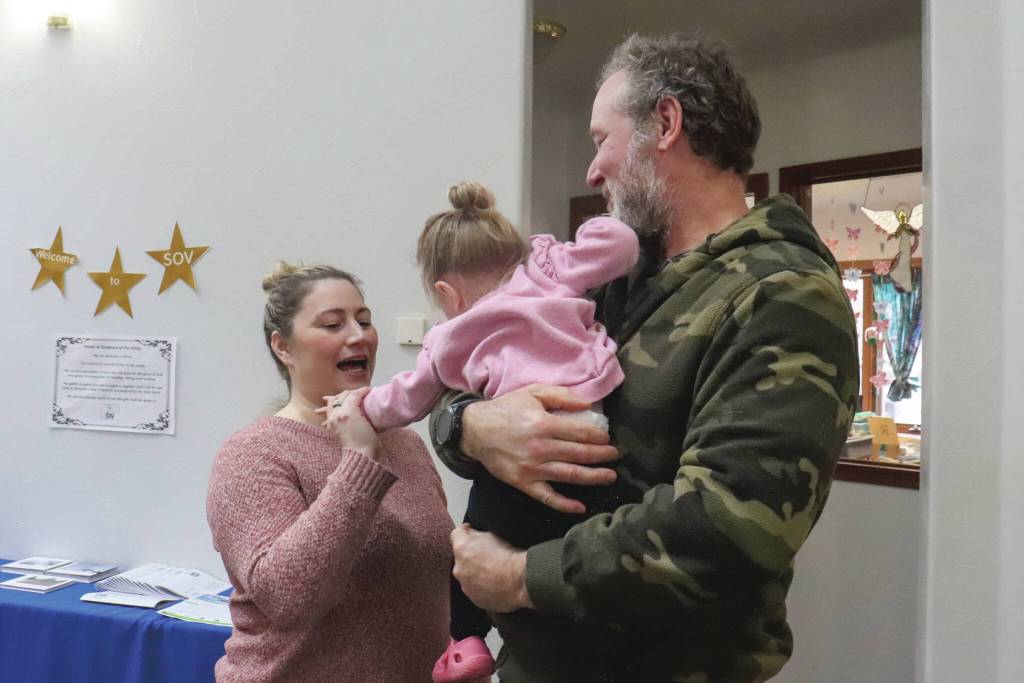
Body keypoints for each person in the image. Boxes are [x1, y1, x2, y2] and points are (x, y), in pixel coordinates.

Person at [430, 33, 860, 682]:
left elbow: (727, 526)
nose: (591, 171)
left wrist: (519, 578)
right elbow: (463, 382)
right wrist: (471, 425)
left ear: (666, 123)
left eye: (602, 140)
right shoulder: (605, 282)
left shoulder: (783, 295)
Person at [352, 181, 638, 682]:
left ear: (446, 292)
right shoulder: (547, 273)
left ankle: (464, 643)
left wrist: (357, 406)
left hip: (515, 475)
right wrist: (561, 243)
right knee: (589, 540)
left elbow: (405, 400)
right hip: (593, 439)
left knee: (470, 542)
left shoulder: (447, 336)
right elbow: (620, 245)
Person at [206, 263, 455, 682]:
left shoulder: (405, 443)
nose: (358, 336)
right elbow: (287, 596)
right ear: (283, 347)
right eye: (332, 324)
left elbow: (431, 578)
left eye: (364, 320)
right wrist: (359, 456)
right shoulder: (252, 454)